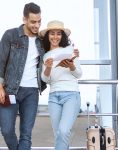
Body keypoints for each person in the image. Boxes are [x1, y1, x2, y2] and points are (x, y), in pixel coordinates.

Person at [0, 2, 46, 150]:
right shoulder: (10, 35)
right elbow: (0, 62)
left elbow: (58, 44)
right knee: (6, 130)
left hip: (32, 92)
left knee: (26, 135)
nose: (37, 25)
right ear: (24, 19)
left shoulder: (42, 40)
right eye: (33, 21)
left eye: (39, 21)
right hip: (10, 89)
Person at [40, 20, 82, 150]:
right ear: (48, 36)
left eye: (58, 34)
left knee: (63, 131)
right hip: (53, 97)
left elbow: (79, 74)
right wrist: (48, 67)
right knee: (59, 135)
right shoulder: (45, 55)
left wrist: (72, 66)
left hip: (71, 95)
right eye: (52, 33)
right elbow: (46, 79)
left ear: (62, 36)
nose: (55, 37)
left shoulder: (70, 51)